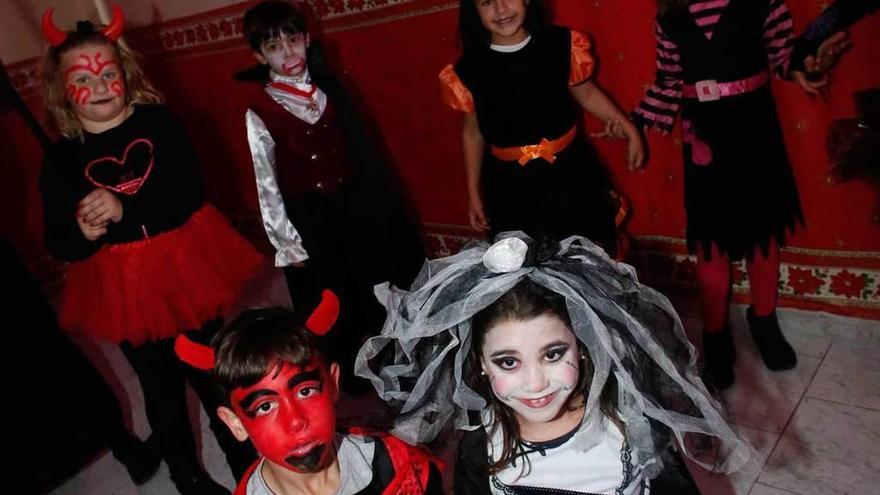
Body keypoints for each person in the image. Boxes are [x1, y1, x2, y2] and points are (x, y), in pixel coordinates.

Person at [38, 7, 262, 492]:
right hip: (123, 290)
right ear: (62, 89)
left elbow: (189, 192)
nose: (99, 86)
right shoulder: (60, 159)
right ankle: (187, 474)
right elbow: (58, 241)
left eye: (108, 73)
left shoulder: (158, 123)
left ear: (125, 73)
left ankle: (245, 458)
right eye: (83, 77)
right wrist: (84, 231)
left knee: (209, 368)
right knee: (158, 386)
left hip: (183, 268)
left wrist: (125, 209)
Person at [357, 233, 750, 494]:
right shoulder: (482, 448)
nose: (535, 383)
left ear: (582, 345)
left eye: (553, 354)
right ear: (479, 364)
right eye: (508, 362)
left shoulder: (628, 425)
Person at [631, 0, 826, 389]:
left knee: (763, 235)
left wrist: (803, 67)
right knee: (711, 241)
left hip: (756, 133)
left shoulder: (764, 4)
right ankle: (716, 336)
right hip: (704, 140)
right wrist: (634, 123)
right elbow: (669, 82)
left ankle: (764, 320)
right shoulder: (669, 17)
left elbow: (784, 55)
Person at [241, 1, 425, 389]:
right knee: (328, 293)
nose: (288, 53)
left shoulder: (333, 87)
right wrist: (286, 243)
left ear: (307, 39)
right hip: (308, 216)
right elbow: (266, 182)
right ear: (259, 55)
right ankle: (343, 369)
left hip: (353, 205)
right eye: (274, 46)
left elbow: (363, 149)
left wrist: (379, 206)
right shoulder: (260, 109)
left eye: (293, 40)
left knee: (369, 281)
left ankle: (386, 355)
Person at [174, 296, 445, 495]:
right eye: (265, 406)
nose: (295, 422)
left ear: (333, 384)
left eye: (305, 391)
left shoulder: (400, 467)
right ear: (235, 423)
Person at [439, 0, 644, 255]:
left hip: (570, 173)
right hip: (510, 186)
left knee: (584, 253)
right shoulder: (468, 70)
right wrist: (473, 191)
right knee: (529, 265)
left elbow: (587, 94)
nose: (501, 9)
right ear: (474, 11)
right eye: (486, 2)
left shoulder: (560, 44)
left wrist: (629, 129)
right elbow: (473, 132)